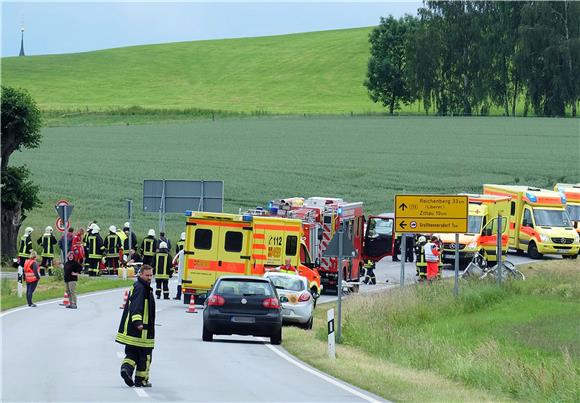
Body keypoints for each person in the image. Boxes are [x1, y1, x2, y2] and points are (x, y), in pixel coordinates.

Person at [116, 265, 156, 388]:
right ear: (141, 275)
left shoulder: (140, 286)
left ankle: (126, 370)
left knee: (132, 354)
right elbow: (136, 307)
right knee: (145, 356)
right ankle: (141, 380)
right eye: (147, 275)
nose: (149, 278)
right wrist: (138, 323)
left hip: (133, 331)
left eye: (151, 275)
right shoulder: (141, 288)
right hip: (141, 330)